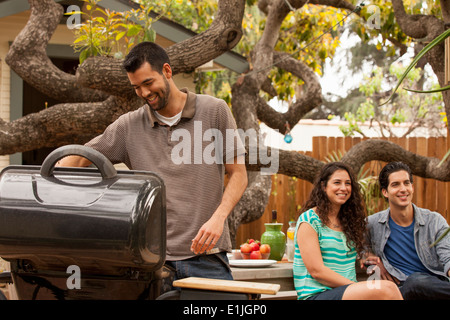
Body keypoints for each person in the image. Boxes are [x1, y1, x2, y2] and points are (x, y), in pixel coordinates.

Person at [58, 41, 248, 281]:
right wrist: (49, 180)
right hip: (151, 264)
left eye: (148, 83)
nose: (144, 93)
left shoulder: (215, 111)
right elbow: (79, 159)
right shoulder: (129, 126)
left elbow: (239, 174)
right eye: (136, 87)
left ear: (167, 71)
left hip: (206, 257)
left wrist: (219, 217)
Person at [293, 162, 402, 300]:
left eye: (348, 183)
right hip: (316, 295)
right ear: (323, 186)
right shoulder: (309, 220)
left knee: (388, 289)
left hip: (345, 292)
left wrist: (365, 255)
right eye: (337, 182)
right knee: (387, 288)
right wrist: (355, 286)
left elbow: (350, 251)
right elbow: (317, 271)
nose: (343, 188)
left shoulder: (349, 222)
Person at [364, 161, 450, 299]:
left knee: (416, 281)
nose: (403, 189)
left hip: (433, 289)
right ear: (385, 192)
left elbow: (448, 256)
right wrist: (370, 257)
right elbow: (357, 245)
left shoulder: (434, 221)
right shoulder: (373, 224)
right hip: (399, 290)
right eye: (395, 184)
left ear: (412, 187)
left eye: (406, 183)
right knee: (412, 282)